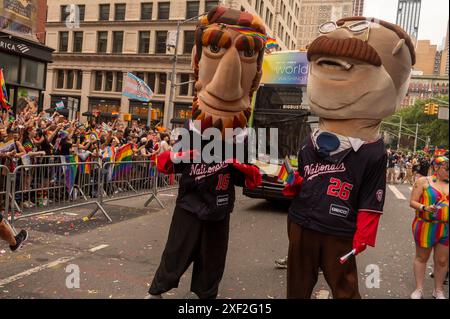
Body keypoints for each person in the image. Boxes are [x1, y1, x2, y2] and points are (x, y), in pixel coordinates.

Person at [284, 16, 415, 298]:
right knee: (297, 284)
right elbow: (303, 173)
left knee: (345, 287)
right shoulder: (312, 140)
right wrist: (294, 184)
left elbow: (372, 193)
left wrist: (365, 231)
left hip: (339, 227)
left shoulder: (373, 151)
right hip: (302, 220)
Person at [147, 6, 265, 299]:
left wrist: (246, 171)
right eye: (215, 47)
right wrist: (171, 158)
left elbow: (247, 178)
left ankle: (206, 295)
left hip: (219, 206)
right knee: (176, 250)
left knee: (213, 259)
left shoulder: (242, 135)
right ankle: (158, 290)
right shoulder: (192, 129)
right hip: (190, 202)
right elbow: (171, 164)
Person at [409, 156, 449, 299]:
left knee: (443, 260)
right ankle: (419, 289)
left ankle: (438, 290)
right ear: (436, 168)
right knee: (422, 257)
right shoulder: (423, 181)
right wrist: (425, 207)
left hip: (446, 228)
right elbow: (412, 202)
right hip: (425, 225)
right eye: (447, 168)